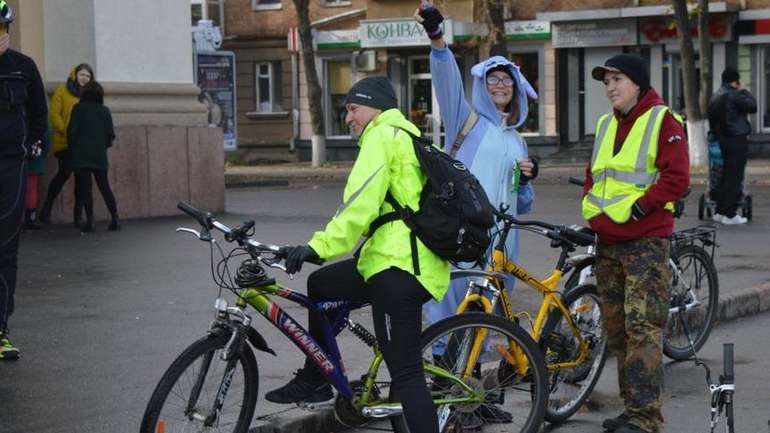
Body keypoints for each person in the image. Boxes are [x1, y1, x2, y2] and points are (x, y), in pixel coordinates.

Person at [263, 76, 449, 433]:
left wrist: (318, 247)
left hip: (401, 269)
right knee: (321, 285)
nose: (347, 118)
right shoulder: (408, 135)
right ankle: (317, 374)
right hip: (389, 261)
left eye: (353, 109)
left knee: (407, 373)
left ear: (375, 108)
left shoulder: (382, 137)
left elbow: (358, 205)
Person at [414, 3, 538, 424]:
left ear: (517, 90)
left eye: (507, 80)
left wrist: (529, 177)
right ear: (482, 86)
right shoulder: (465, 120)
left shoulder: (516, 139)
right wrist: (437, 40)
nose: (500, 85)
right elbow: (447, 78)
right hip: (463, 236)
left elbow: (522, 203)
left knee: (489, 320)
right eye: (493, 79)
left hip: (503, 243)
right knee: (451, 313)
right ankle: (445, 400)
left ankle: (473, 398)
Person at [583, 54, 690, 433]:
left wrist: (641, 209)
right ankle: (632, 410)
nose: (610, 87)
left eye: (618, 79)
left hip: (645, 242)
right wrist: (595, 215)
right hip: (608, 241)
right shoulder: (604, 124)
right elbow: (594, 177)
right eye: (606, 80)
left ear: (638, 85)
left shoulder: (663, 120)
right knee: (617, 331)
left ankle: (646, 419)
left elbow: (676, 178)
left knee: (643, 328)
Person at [0, 0, 48, 360]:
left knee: (5, 248)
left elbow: (38, 117)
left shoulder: (23, 67)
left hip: (9, 166)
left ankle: (0, 330)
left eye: (2, 30)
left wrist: (32, 148)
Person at [39, 63, 94, 226]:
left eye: (88, 76)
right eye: (82, 74)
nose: (84, 78)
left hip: (82, 144)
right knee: (64, 173)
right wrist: (65, 131)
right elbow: (54, 114)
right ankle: (46, 209)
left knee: (81, 178)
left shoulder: (90, 94)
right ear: (75, 74)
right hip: (65, 142)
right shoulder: (63, 90)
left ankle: (78, 216)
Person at [67, 81, 120, 232]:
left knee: (85, 189)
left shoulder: (78, 109)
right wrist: (101, 146)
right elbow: (110, 135)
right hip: (99, 155)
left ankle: (90, 220)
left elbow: (71, 132)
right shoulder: (105, 111)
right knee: (104, 187)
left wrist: (73, 149)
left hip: (81, 155)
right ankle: (115, 218)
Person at [707, 67, 757, 225]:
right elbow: (753, 106)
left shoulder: (715, 96)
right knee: (735, 177)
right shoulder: (735, 95)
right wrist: (744, 90)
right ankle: (730, 214)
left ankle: (720, 212)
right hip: (736, 139)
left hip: (722, 140)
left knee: (724, 176)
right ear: (735, 81)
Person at [23, 126, 51, 230]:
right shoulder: (41, 125)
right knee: (32, 190)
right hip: (36, 161)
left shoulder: (22, 120)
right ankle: (29, 219)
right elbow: (46, 143)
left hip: (20, 160)